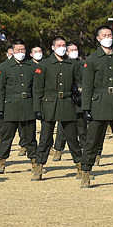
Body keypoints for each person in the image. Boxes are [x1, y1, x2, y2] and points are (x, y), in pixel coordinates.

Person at [80, 25, 113, 188]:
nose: (107, 37)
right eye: (104, 35)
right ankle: (85, 173)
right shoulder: (92, 59)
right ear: (98, 38)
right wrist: (85, 108)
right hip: (98, 105)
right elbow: (87, 86)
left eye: (110, 35)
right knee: (92, 142)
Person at [32, 36, 83, 180]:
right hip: (49, 104)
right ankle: (39, 168)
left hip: (67, 103)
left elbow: (80, 83)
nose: (62, 47)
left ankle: (80, 167)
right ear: (53, 47)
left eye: (64, 45)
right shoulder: (45, 64)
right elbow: (37, 89)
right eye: (59, 45)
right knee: (45, 139)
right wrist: (37, 108)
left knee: (72, 138)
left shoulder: (72, 64)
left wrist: (79, 95)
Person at [0, 38, 36, 175]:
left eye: (23, 50)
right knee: (6, 137)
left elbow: (36, 88)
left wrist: (37, 108)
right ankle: (1, 162)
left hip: (28, 106)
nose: (21, 52)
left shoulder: (32, 66)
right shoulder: (4, 67)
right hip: (10, 107)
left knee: (30, 137)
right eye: (18, 50)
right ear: (12, 51)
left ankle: (35, 162)